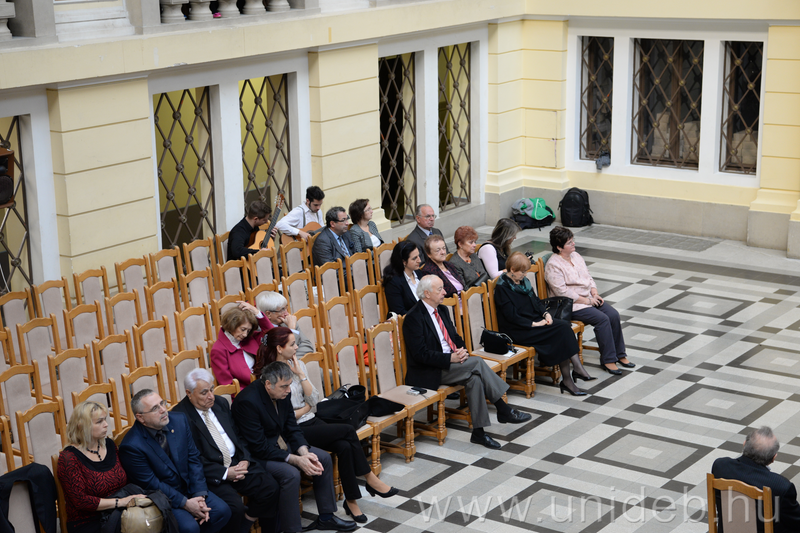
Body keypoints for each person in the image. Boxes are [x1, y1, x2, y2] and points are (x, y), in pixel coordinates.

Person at [256, 327, 398, 523]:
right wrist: (306, 408)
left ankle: (351, 501)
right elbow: (282, 417)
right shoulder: (270, 376)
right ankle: (370, 478)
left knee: (344, 445)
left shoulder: (298, 364)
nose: (297, 347)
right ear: (280, 348)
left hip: (313, 420)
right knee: (348, 430)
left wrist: (300, 374)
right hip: (295, 430)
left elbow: (314, 398)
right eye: (292, 344)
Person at [402, 275, 532, 450]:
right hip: (429, 370)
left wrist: (461, 350)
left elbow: (455, 337)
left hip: (453, 363)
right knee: (477, 363)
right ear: (427, 293)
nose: (445, 292)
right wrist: (450, 358)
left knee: (474, 379)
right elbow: (420, 355)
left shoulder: (442, 310)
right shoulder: (413, 317)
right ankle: (503, 409)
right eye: (440, 289)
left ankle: (479, 432)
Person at [231, 362, 357, 533]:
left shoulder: (283, 392)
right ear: (268, 384)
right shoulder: (247, 402)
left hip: (281, 444)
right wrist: (296, 460)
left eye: (289, 385)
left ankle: (326, 517)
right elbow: (259, 446)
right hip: (258, 455)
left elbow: (292, 427)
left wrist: (304, 453)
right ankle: (292, 529)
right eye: (284, 386)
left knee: (322, 458)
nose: (289, 390)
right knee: (290, 474)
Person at [173, 368, 280, 533]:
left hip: (236, 463)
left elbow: (238, 436)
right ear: (189, 393)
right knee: (234, 507)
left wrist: (245, 459)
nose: (211, 396)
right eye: (204, 393)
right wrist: (224, 473)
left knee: (270, 487)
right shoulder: (179, 417)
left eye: (211, 389)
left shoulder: (220, 403)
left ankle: (249, 524)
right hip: (213, 473)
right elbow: (192, 459)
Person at [119, 390, 232, 533]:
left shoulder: (179, 420)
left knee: (222, 511)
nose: (163, 410)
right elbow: (151, 483)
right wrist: (185, 503)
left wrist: (199, 495)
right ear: (140, 417)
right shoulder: (131, 446)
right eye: (155, 408)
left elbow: (193, 459)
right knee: (189, 528)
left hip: (190, 488)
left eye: (162, 403)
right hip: (164, 497)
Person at [493, 252, 595, 396]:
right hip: (518, 329)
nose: (525, 275)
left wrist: (545, 314)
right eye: (523, 272)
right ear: (512, 270)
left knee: (564, 327)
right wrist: (534, 324)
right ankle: (571, 377)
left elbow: (536, 301)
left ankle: (571, 375)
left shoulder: (523, 282)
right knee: (560, 332)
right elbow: (511, 316)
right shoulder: (502, 288)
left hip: (533, 321)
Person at [544, 226, 634, 375]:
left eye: (573, 240)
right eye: (569, 242)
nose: (573, 244)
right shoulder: (553, 265)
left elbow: (588, 276)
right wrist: (586, 301)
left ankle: (620, 354)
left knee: (613, 315)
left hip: (589, 298)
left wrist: (594, 292)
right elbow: (562, 292)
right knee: (602, 319)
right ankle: (608, 360)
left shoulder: (576, 256)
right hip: (571, 305)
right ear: (559, 247)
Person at [57, 401, 145, 533]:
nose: (106, 424)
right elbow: (81, 501)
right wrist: (120, 502)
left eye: (105, 419)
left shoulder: (109, 444)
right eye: (99, 422)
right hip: (89, 521)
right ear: (81, 426)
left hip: (119, 511)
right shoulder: (69, 458)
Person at [711, 427, 800, 533]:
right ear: (773, 458)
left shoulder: (720, 466)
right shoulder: (780, 486)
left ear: (744, 444)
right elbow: (796, 522)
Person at [209, 301, 273, 390]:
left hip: (265, 385)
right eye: (243, 329)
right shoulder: (218, 349)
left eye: (248, 330)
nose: (245, 334)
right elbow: (227, 384)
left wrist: (257, 313)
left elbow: (272, 335)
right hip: (245, 393)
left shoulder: (250, 337)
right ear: (232, 325)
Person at [254, 291, 315, 357]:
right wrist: (292, 330)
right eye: (282, 310)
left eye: (286, 308)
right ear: (268, 314)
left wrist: (289, 359)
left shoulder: (289, 323)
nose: (287, 313)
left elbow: (308, 346)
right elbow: (275, 355)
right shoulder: (259, 330)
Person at [381, 241, 422, 318]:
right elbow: (399, 312)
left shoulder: (419, 273)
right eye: (414, 258)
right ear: (404, 262)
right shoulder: (393, 282)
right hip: (409, 321)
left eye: (418, 256)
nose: (419, 260)